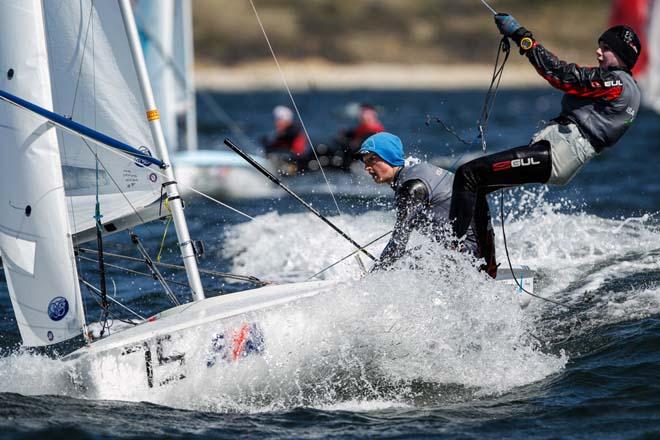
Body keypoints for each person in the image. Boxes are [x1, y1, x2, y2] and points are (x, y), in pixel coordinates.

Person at [448, 15, 642, 263]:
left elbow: (561, 75)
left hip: (560, 154)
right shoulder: (629, 87)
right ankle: (485, 267)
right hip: (560, 152)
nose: (598, 52)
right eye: (600, 46)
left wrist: (523, 37)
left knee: (467, 174)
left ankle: (450, 255)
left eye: (606, 48)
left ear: (623, 55)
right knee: (477, 184)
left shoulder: (616, 83)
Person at [358, 132, 497, 276]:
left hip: (468, 257)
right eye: (365, 162)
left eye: (372, 159)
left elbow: (398, 242)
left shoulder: (411, 188)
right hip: (480, 252)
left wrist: (374, 277)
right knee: (408, 260)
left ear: (390, 156)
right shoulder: (416, 172)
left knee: (405, 264)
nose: (366, 168)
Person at [262, 105, 309, 173]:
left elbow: (289, 138)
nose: (276, 122)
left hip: (298, 164)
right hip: (290, 162)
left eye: (279, 119)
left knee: (275, 157)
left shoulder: (292, 131)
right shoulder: (281, 134)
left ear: (287, 121)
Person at [338, 103, 385, 169]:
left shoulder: (372, 124)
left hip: (369, 142)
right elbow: (356, 132)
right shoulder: (364, 125)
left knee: (350, 148)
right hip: (365, 140)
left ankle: (346, 166)